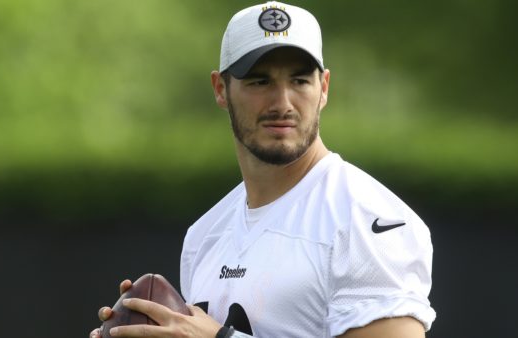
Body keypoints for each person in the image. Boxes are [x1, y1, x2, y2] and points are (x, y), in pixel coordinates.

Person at [90, 2, 436, 337]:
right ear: (220, 89)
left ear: (324, 88)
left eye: (300, 81)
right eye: (259, 81)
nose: (282, 102)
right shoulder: (204, 235)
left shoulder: (366, 220)